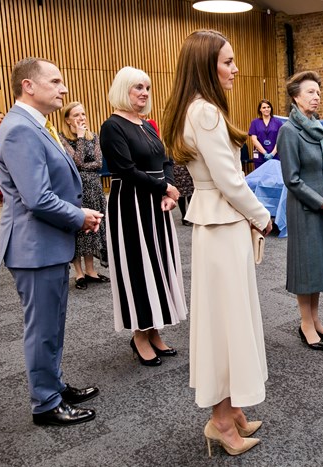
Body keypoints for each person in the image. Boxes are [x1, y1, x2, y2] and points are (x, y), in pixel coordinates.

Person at [161, 29, 272, 457]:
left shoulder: (195, 109)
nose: (235, 68)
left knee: (228, 322)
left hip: (219, 225)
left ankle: (233, 411)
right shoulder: (205, 112)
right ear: (206, 65)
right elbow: (229, 179)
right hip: (223, 226)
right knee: (227, 326)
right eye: (227, 61)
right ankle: (222, 421)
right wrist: (264, 218)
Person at [0, 57, 103, 426]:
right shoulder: (21, 129)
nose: (64, 88)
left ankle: (53, 384)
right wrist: (80, 216)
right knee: (42, 328)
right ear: (28, 86)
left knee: (52, 323)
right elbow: (37, 197)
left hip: (46, 243)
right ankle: (45, 403)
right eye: (55, 81)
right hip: (34, 246)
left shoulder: (34, 125)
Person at [100, 66, 188, 367]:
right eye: (138, 87)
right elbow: (125, 170)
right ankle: (139, 334)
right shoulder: (112, 126)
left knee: (159, 266)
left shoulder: (148, 125)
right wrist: (165, 187)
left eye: (147, 88)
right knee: (138, 268)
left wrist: (166, 192)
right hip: (130, 206)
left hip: (154, 203)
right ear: (123, 89)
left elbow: (164, 160)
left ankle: (154, 331)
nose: (144, 92)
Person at [276, 70, 323, 352]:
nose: (316, 97)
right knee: (307, 267)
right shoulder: (289, 131)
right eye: (310, 92)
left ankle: (315, 319)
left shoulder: (316, 127)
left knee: (318, 266)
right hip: (306, 208)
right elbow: (291, 179)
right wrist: (320, 201)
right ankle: (305, 324)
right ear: (295, 97)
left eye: (318, 92)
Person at [58, 102, 109, 290]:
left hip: (94, 189)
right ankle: (78, 273)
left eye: (83, 114)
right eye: (77, 115)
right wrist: (79, 138)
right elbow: (75, 161)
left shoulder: (93, 136)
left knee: (92, 229)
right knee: (77, 230)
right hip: (74, 189)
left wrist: (82, 167)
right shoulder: (62, 139)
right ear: (67, 119)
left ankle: (91, 270)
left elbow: (98, 163)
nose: (82, 118)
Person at [248, 99, 283, 170]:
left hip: (275, 155)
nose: (266, 109)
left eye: (268, 107)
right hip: (260, 157)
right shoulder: (255, 123)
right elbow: (254, 140)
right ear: (260, 109)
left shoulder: (278, 122)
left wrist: (272, 154)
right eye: (264, 107)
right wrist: (264, 153)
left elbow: (280, 139)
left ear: (271, 108)